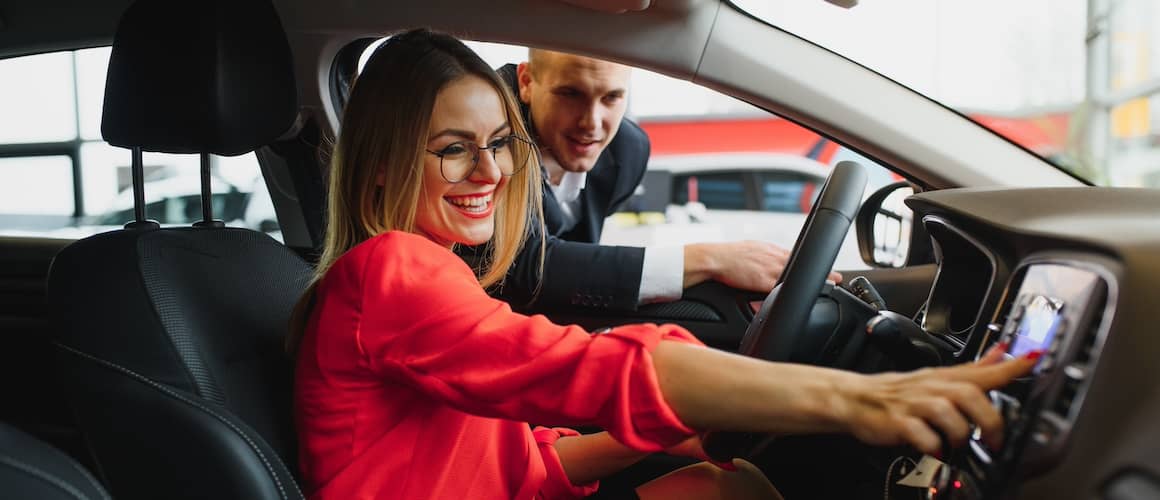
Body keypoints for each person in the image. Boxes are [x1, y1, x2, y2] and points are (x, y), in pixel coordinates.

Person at [291, 28, 1038, 500]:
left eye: (499, 143)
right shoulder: (388, 273)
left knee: (724, 485)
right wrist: (862, 400)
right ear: (384, 166)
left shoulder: (434, 274)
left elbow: (527, 468)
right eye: (453, 147)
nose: (489, 171)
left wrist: (687, 425)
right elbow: (588, 369)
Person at [463, 49, 840, 311]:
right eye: (570, 94)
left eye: (611, 98)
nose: (591, 124)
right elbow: (522, 266)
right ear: (527, 83)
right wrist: (707, 259)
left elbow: (574, 263)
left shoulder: (627, 151)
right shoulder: (488, 134)